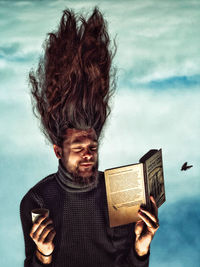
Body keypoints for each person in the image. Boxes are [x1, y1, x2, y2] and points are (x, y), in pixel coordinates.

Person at [20, 7, 159, 267]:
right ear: (58, 150)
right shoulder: (37, 200)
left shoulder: (117, 194)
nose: (88, 154)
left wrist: (141, 249)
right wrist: (43, 255)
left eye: (93, 146)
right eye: (78, 146)